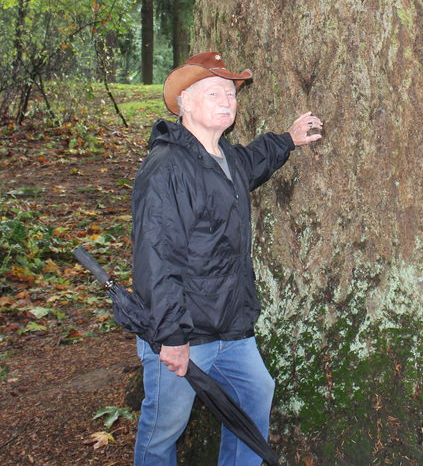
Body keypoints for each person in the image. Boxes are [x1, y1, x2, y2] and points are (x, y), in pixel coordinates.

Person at [129, 51, 322, 466]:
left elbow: (253, 163)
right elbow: (155, 259)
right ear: (184, 103)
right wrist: (171, 337)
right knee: (163, 429)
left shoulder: (226, 158)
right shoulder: (166, 167)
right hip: (184, 332)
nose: (227, 101)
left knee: (254, 397)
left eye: (231, 94)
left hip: (230, 327)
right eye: (213, 92)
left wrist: (287, 139)